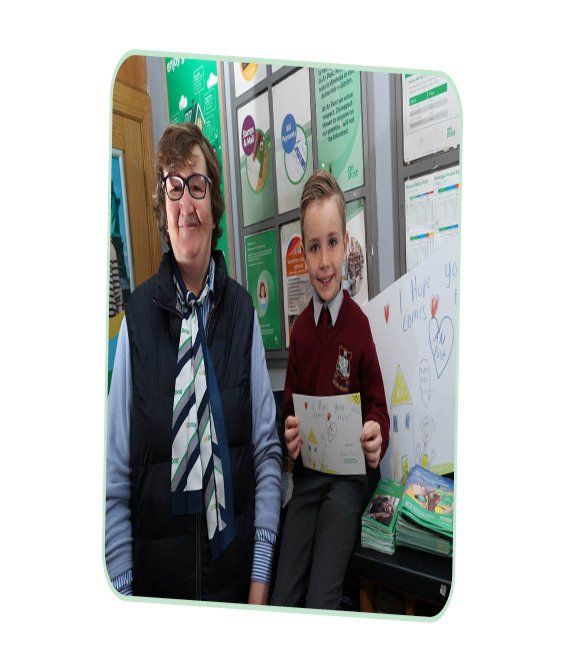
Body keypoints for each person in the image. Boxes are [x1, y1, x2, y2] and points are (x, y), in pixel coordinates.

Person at [105, 123, 282, 604]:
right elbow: (113, 481)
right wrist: (122, 594)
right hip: (156, 598)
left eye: (197, 186)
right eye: (174, 187)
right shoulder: (135, 325)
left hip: (237, 589)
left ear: (213, 202)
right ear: (164, 210)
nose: (187, 205)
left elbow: (266, 453)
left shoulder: (243, 314)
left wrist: (260, 583)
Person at [271, 170, 390, 610]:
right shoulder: (300, 332)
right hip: (308, 481)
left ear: (346, 245)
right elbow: (289, 408)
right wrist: (290, 433)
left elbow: (378, 405)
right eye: (315, 247)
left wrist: (376, 432)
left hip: (348, 483)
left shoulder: (359, 327)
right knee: (285, 596)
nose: (324, 261)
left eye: (333, 243)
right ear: (303, 252)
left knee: (322, 597)